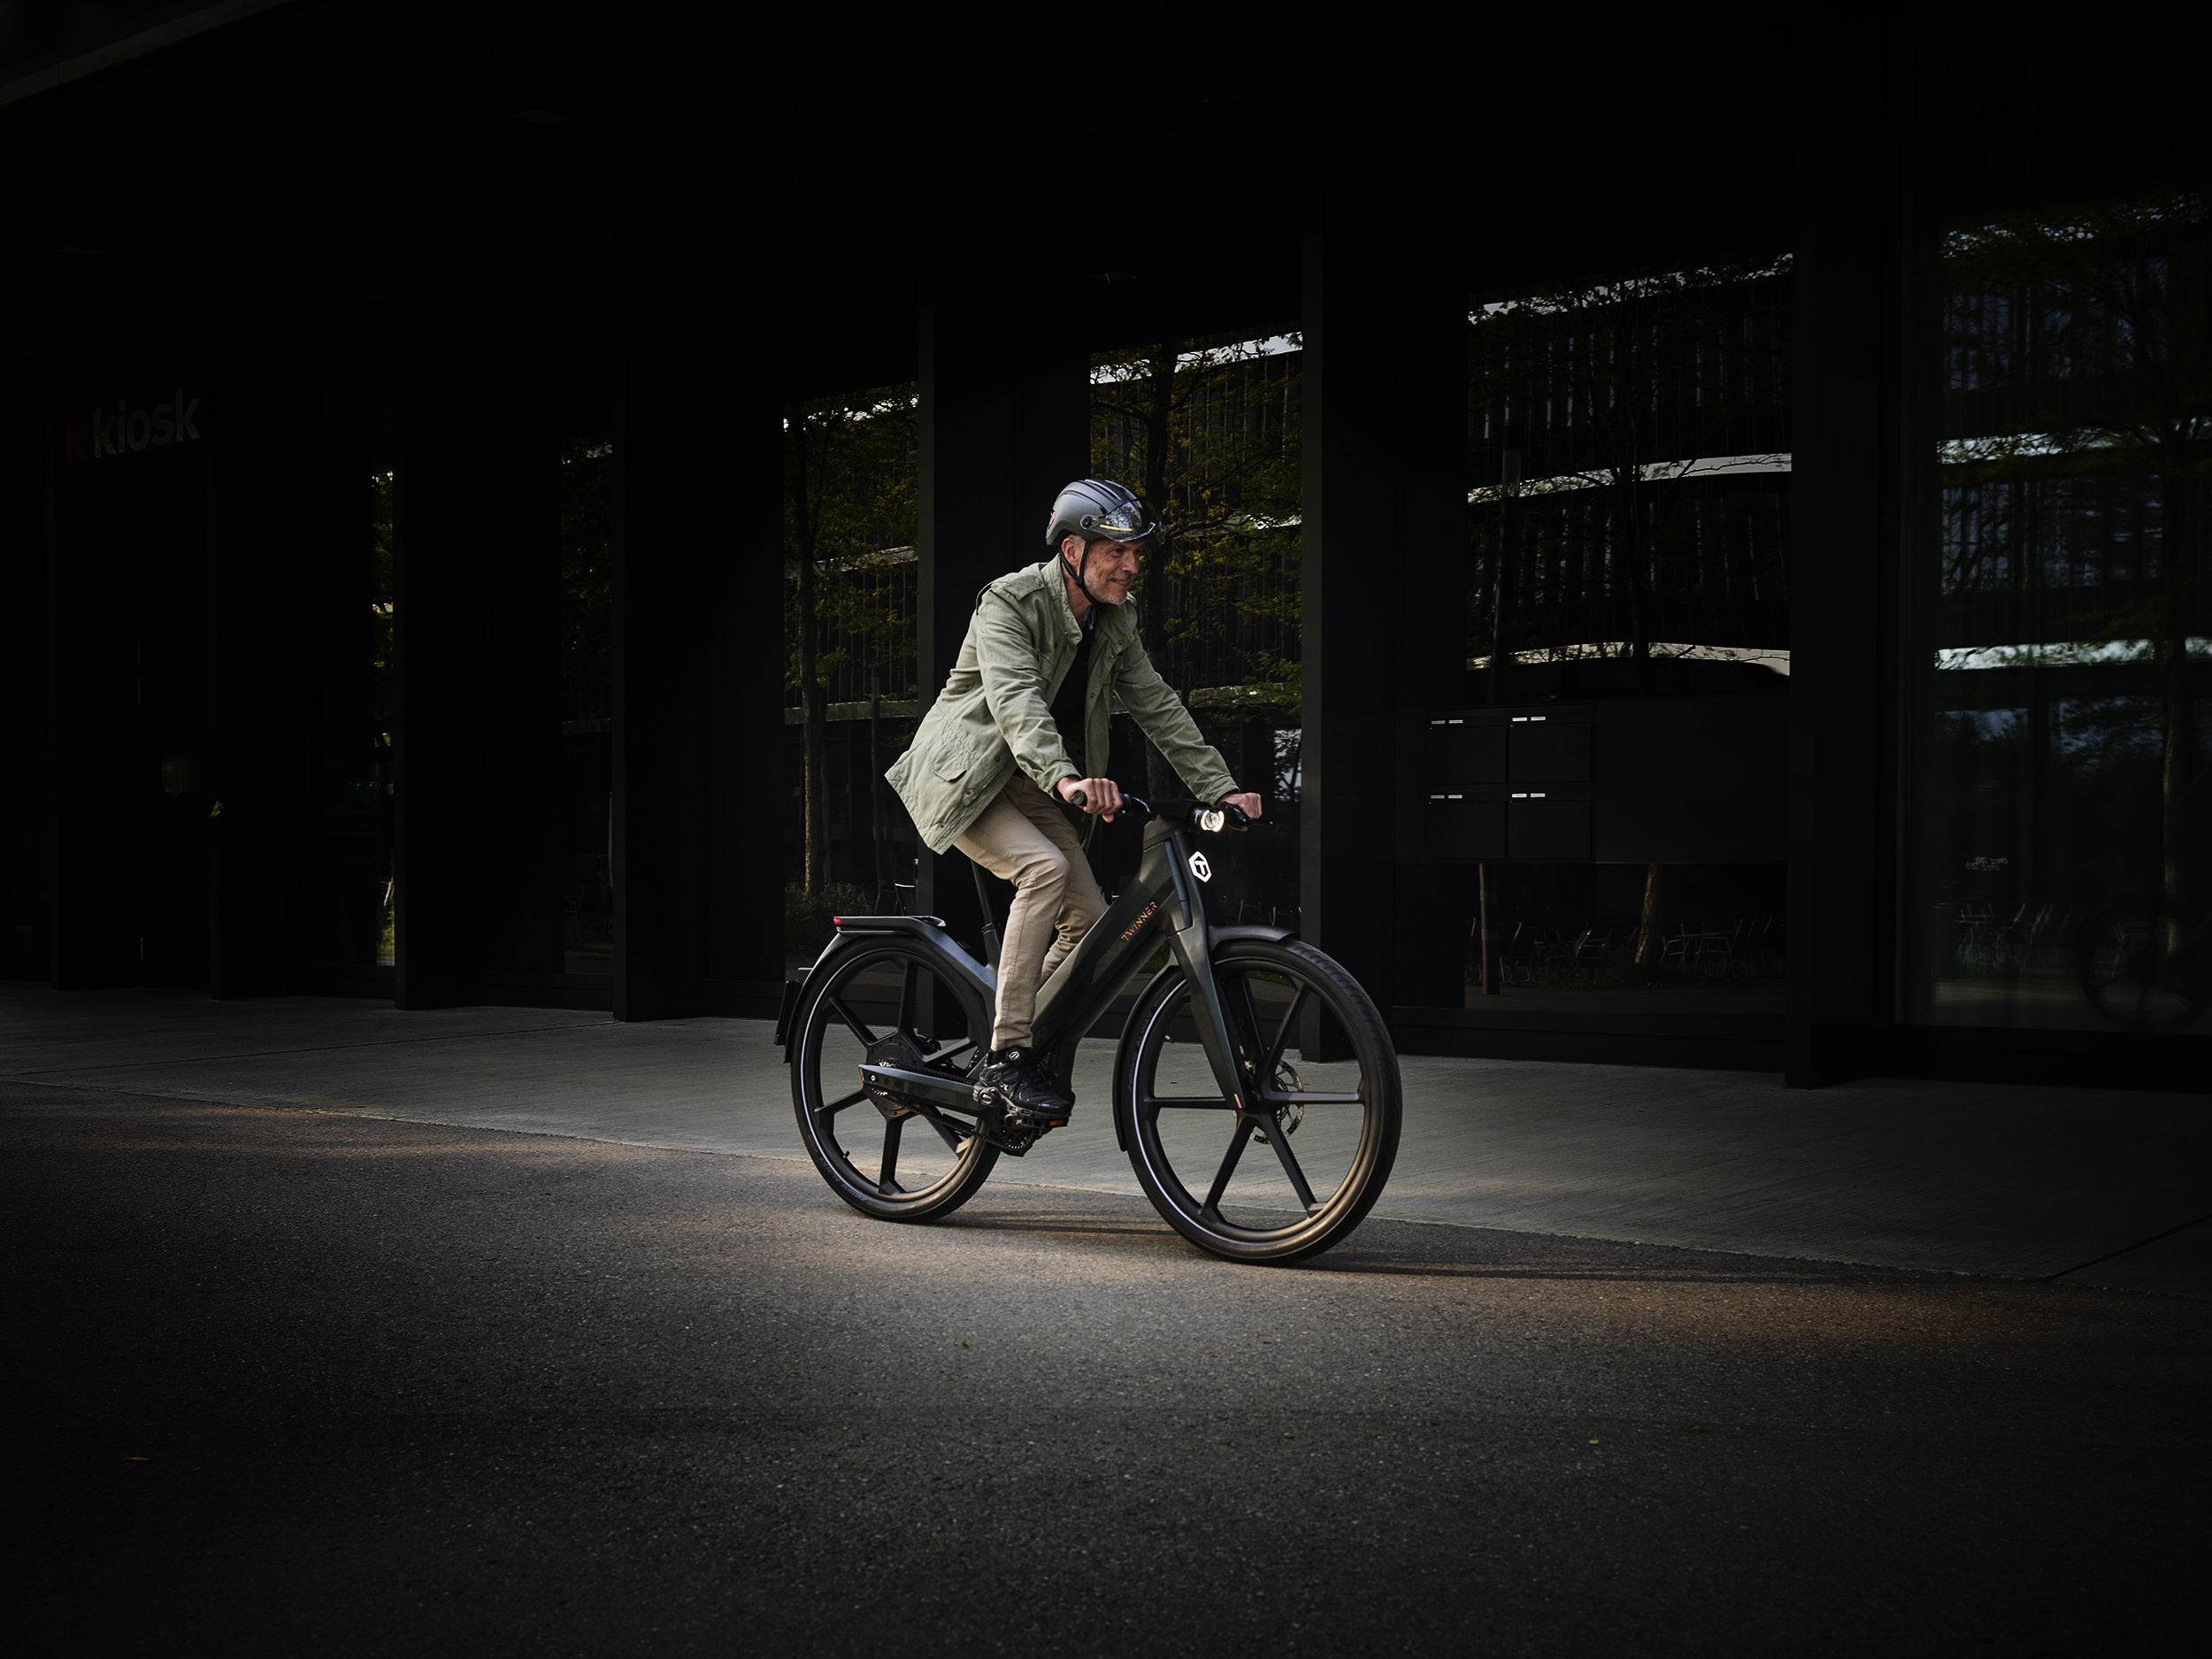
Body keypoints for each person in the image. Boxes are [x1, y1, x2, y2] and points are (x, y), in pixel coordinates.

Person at [886, 478, 1263, 1127]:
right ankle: (1007, 1057)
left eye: (1137, 552)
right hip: (966, 778)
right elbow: (1016, 701)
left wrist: (1219, 787)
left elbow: (1158, 705)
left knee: (1089, 918)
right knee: (1045, 869)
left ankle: (1019, 1035)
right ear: (1071, 548)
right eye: (1117, 551)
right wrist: (1066, 779)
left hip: (1029, 785)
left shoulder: (1116, 621)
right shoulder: (1009, 601)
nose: (1132, 565)